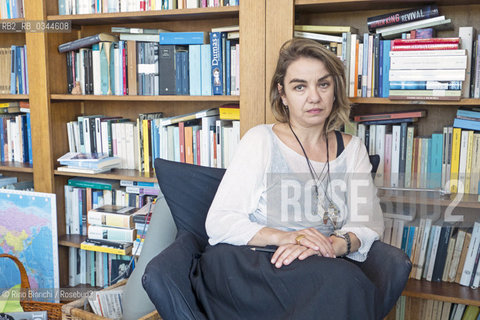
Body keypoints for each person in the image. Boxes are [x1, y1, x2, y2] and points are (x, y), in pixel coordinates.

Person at [191, 38, 385, 320]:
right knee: (344, 284)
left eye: (323, 84)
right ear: (283, 94)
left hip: (320, 263)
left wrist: (333, 244)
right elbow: (220, 221)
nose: (314, 97)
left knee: (346, 282)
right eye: (299, 86)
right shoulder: (260, 140)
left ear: (335, 90)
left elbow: (369, 224)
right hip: (253, 264)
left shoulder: (353, 148)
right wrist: (288, 237)